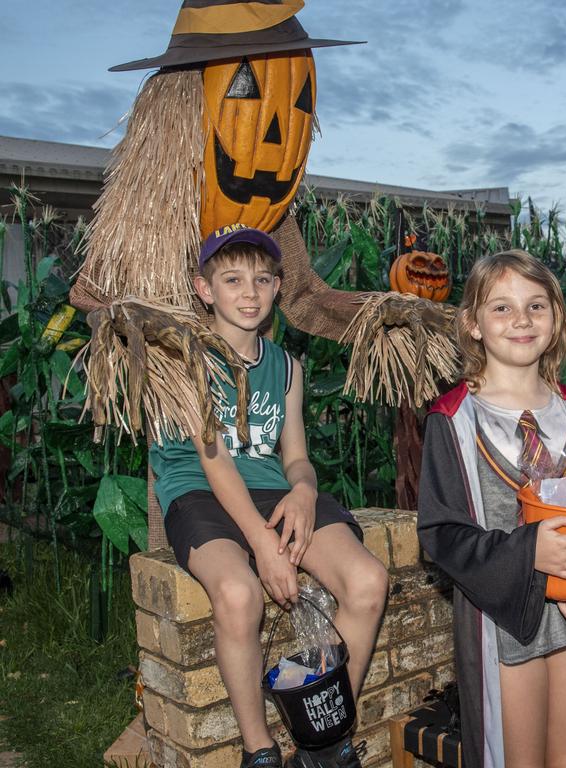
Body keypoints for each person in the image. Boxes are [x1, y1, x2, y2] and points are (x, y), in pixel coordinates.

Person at [149, 225, 388, 768]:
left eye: (262, 279)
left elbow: (296, 455)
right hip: (198, 490)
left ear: (279, 286)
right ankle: (259, 749)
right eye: (232, 279)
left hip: (271, 490)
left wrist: (304, 491)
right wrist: (261, 542)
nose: (250, 292)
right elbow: (213, 458)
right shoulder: (182, 357)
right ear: (204, 289)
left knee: (369, 582)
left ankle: (324, 739)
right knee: (238, 594)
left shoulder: (286, 367)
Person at [417, 250, 566, 768]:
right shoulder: (452, 422)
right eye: (501, 308)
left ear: (556, 318)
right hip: (505, 622)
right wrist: (530, 549)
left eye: (536, 306)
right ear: (472, 324)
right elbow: (442, 534)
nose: (522, 320)